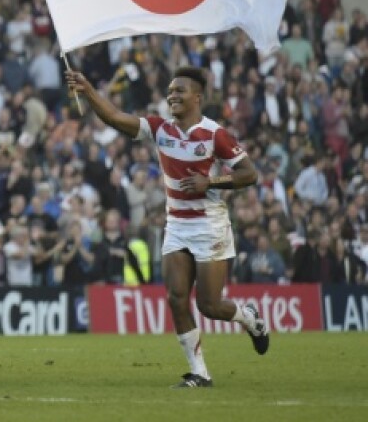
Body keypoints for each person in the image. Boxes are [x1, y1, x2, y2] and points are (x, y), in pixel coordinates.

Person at [65, 65, 270, 388]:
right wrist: (88, 89)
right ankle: (199, 373)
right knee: (176, 298)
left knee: (210, 305)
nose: (172, 95)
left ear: (197, 97)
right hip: (177, 224)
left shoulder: (214, 134)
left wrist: (210, 180)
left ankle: (248, 318)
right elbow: (117, 118)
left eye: (180, 91)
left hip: (209, 224)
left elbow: (249, 174)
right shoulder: (160, 129)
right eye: (171, 90)